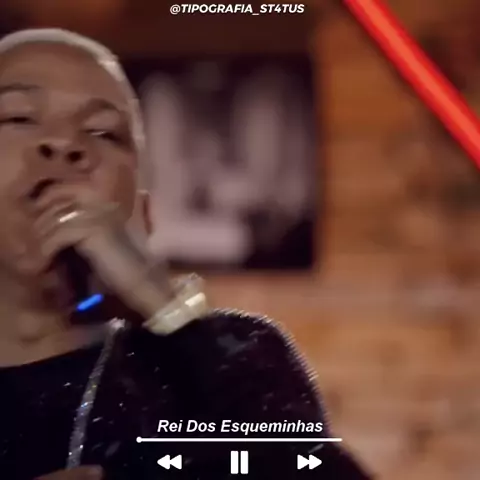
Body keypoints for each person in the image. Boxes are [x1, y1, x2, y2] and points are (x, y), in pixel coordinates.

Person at [0, 29, 372, 480]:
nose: (64, 144)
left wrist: (158, 298)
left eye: (102, 132)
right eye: (17, 117)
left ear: (143, 216)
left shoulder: (226, 359)